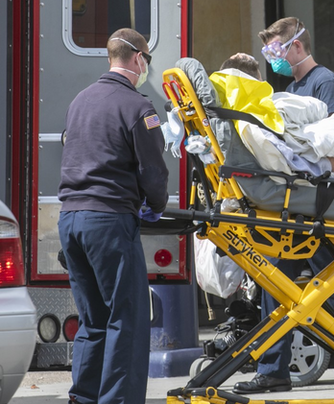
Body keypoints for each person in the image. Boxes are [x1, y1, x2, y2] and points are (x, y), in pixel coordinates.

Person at [232, 17, 334, 394]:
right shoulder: (295, 87)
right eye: (269, 53)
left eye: (276, 50)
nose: (273, 59)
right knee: (275, 284)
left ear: (297, 45)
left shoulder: (324, 82)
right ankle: (274, 370)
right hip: (298, 205)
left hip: (321, 202)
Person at [57, 28, 169, 404]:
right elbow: (153, 172)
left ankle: (84, 397)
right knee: (127, 320)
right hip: (108, 222)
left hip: (71, 219)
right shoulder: (138, 106)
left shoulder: (80, 100)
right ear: (138, 58)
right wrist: (156, 204)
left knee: (93, 321)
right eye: (147, 60)